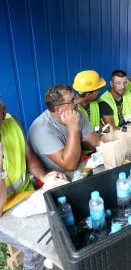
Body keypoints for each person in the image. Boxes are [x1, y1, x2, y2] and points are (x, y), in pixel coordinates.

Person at [0, 97, 66, 269]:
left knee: (64, 214)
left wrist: (44, 177)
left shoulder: (12, 122)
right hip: (3, 209)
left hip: (25, 197)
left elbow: (29, 158)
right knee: (35, 248)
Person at [28, 84, 102, 172]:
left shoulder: (75, 113)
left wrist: (116, 138)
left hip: (77, 162)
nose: (77, 102)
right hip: (54, 177)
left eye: (74, 98)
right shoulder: (42, 129)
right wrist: (73, 127)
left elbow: (96, 141)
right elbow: (70, 165)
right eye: (72, 101)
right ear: (58, 109)